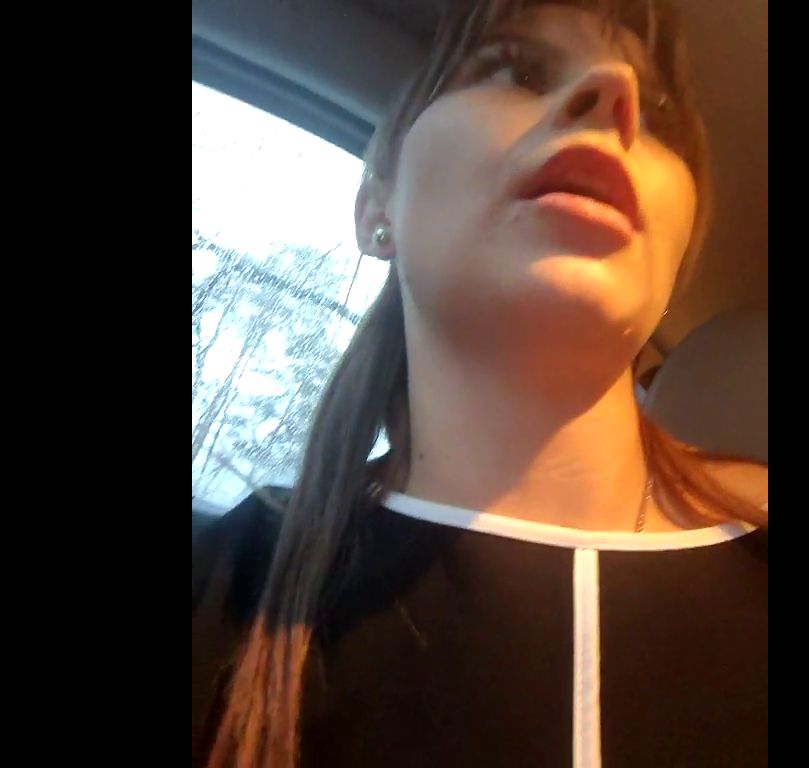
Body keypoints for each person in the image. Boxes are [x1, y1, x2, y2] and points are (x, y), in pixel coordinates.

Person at [192, 1, 768, 766]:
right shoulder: (221, 588)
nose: (614, 93)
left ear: (676, 255)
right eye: (517, 71)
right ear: (375, 206)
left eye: (659, 117)